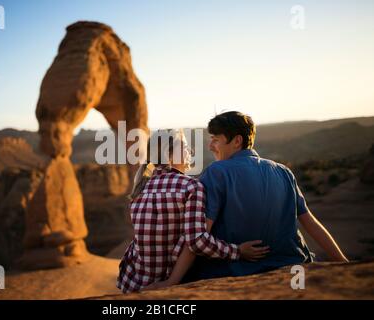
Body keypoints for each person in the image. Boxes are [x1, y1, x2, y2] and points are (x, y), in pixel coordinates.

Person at [148, 111, 348, 290]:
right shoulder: (284, 171)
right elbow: (311, 223)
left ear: (236, 141)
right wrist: (342, 262)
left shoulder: (216, 173)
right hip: (294, 266)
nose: (209, 146)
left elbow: (198, 238)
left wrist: (171, 282)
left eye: (215, 140)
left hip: (234, 271)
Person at [116, 129, 269, 293]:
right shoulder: (190, 186)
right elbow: (197, 242)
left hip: (131, 281)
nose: (190, 151)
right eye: (185, 147)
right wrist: (238, 251)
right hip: (164, 284)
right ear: (170, 153)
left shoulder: (141, 186)